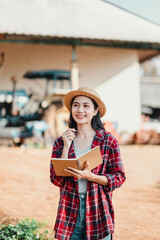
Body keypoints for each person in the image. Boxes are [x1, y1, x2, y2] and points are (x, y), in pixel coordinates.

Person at [50, 87, 126, 240]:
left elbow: (118, 177)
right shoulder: (61, 141)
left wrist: (92, 177)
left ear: (95, 110)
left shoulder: (107, 141)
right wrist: (66, 146)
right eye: (76, 105)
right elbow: (56, 179)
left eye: (86, 106)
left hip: (98, 209)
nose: (80, 110)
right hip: (69, 211)